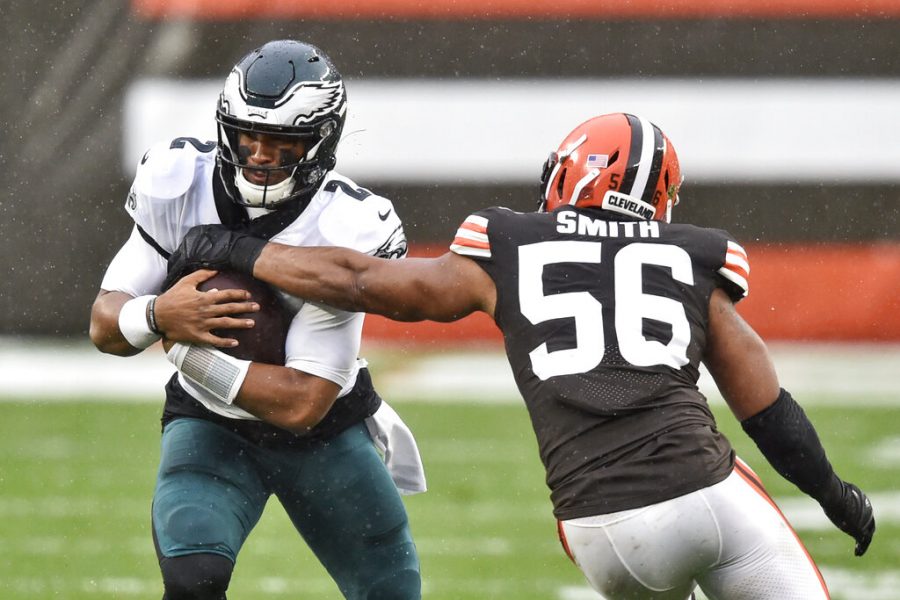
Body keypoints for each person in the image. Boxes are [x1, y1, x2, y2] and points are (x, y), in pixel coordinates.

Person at [165, 112, 876, 599]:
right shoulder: (692, 256)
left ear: (569, 172)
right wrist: (835, 498)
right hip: (698, 490)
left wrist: (237, 248)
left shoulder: (507, 243)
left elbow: (366, 283)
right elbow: (767, 409)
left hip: (595, 529)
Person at [89, 40, 423, 600]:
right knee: (194, 581)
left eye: (282, 141)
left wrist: (185, 351)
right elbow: (104, 324)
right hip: (210, 423)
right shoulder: (177, 179)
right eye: (249, 134)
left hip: (325, 436)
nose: (261, 154)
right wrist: (156, 311)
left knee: (390, 594)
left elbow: (302, 402)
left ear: (321, 142)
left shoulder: (348, 225)